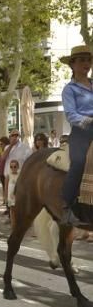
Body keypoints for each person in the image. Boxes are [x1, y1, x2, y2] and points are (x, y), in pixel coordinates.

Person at [59, 45, 93, 224]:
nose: (86, 63)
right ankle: (66, 205)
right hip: (82, 132)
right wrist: (88, 120)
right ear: (72, 65)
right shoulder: (69, 89)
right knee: (79, 161)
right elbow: (71, 114)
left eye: (88, 59)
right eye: (81, 60)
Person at [3, 129, 32, 206]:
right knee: (9, 195)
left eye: (17, 135)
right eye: (13, 135)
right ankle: (9, 210)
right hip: (9, 175)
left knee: (19, 196)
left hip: (20, 175)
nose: (15, 137)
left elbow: (29, 161)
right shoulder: (7, 147)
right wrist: (11, 145)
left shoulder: (25, 147)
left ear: (19, 137)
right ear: (10, 137)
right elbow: (3, 158)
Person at [6, 159, 20, 225]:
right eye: (11, 167)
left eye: (15, 167)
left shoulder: (20, 175)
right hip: (10, 196)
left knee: (18, 211)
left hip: (17, 196)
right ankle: (13, 225)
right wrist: (5, 196)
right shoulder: (8, 175)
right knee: (12, 211)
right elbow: (6, 187)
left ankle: (18, 225)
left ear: (17, 167)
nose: (13, 168)